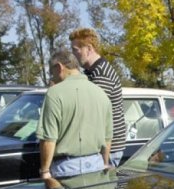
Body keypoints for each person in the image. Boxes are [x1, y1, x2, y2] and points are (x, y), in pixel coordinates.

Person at [37, 48, 112, 180]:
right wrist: (105, 163)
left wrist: (45, 171)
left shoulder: (54, 93)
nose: (52, 77)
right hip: (97, 165)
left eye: (51, 72)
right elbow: (107, 137)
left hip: (66, 169)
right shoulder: (101, 93)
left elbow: (48, 138)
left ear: (59, 67)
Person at [70, 28, 126, 168]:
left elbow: (95, 114)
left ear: (89, 48)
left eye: (75, 50)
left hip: (107, 149)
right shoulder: (91, 72)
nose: (73, 55)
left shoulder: (101, 73)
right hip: (103, 146)